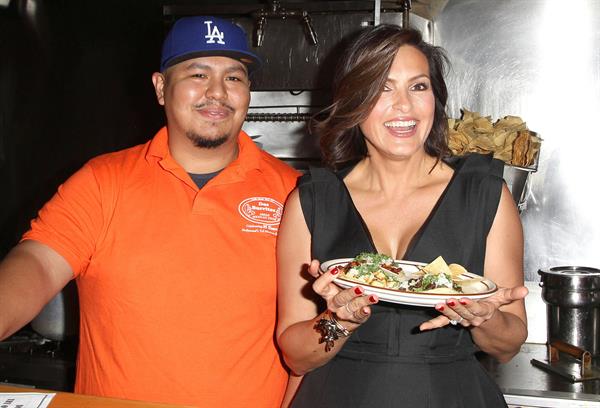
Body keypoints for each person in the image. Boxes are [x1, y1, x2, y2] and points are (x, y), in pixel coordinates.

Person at [0, 16, 299, 407]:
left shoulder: (294, 191)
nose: (217, 92)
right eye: (197, 74)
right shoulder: (101, 182)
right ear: (161, 88)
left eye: (234, 77)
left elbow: (308, 343)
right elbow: (37, 263)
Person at [276, 24, 528, 407]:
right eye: (382, 88)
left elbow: (508, 345)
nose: (404, 106)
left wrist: (484, 317)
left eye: (418, 86)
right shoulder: (311, 201)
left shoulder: (485, 195)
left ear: (435, 99)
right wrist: (340, 321)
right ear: (353, 100)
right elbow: (296, 356)